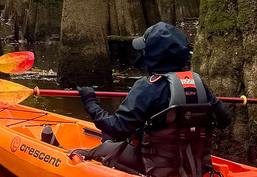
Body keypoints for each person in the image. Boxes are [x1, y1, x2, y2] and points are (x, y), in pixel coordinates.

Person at [70, 22, 232, 177]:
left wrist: (90, 102)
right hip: (193, 164)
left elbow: (117, 129)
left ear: (152, 53)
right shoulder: (197, 84)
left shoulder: (147, 87)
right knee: (109, 135)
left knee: (99, 149)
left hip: (154, 165)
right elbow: (224, 120)